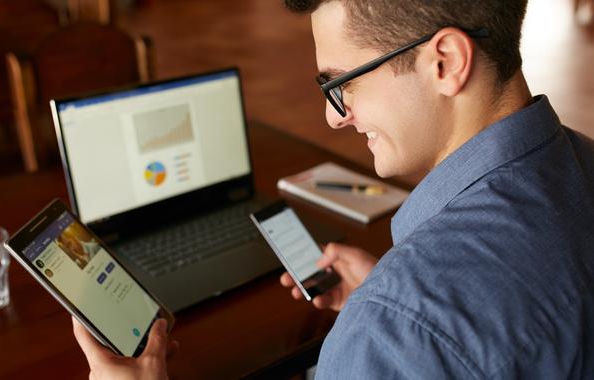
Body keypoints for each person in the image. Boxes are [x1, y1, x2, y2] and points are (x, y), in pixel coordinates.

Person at [73, 0, 594, 378]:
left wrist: (391, 319)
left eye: (343, 82)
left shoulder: (398, 325)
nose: (332, 114)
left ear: (446, 62)